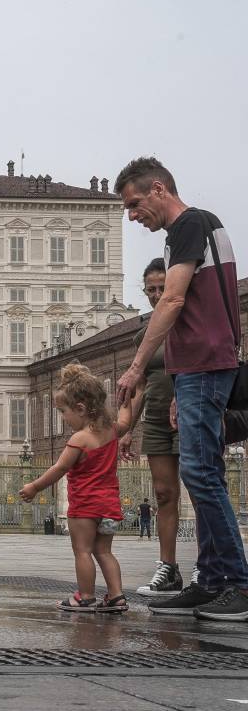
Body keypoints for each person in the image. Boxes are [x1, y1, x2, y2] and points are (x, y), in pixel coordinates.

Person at [114, 157, 248, 621]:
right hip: (196, 369)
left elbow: (172, 300)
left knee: (203, 475)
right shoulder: (195, 230)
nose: (132, 216)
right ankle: (210, 581)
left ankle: (238, 583)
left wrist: (135, 367)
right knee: (202, 473)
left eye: (134, 205)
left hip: (205, 364)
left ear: (158, 189)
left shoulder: (190, 225)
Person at [21, 364, 135, 612]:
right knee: (104, 552)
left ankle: (85, 596)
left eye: (64, 411)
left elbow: (59, 469)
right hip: (110, 505)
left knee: (82, 551)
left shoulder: (79, 439)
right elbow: (127, 418)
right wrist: (132, 393)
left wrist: (34, 487)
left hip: (85, 507)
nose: (63, 417)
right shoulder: (113, 431)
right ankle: (117, 597)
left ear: (81, 409)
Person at [119, 258, 194, 597]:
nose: (157, 294)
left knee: (203, 493)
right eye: (151, 290)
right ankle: (169, 568)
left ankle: (210, 567)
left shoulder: (192, 324)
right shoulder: (143, 335)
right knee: (164, 495)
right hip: (157, 422)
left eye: (163, 288)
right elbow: (138, 389)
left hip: (192, 417)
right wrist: (126, 429)